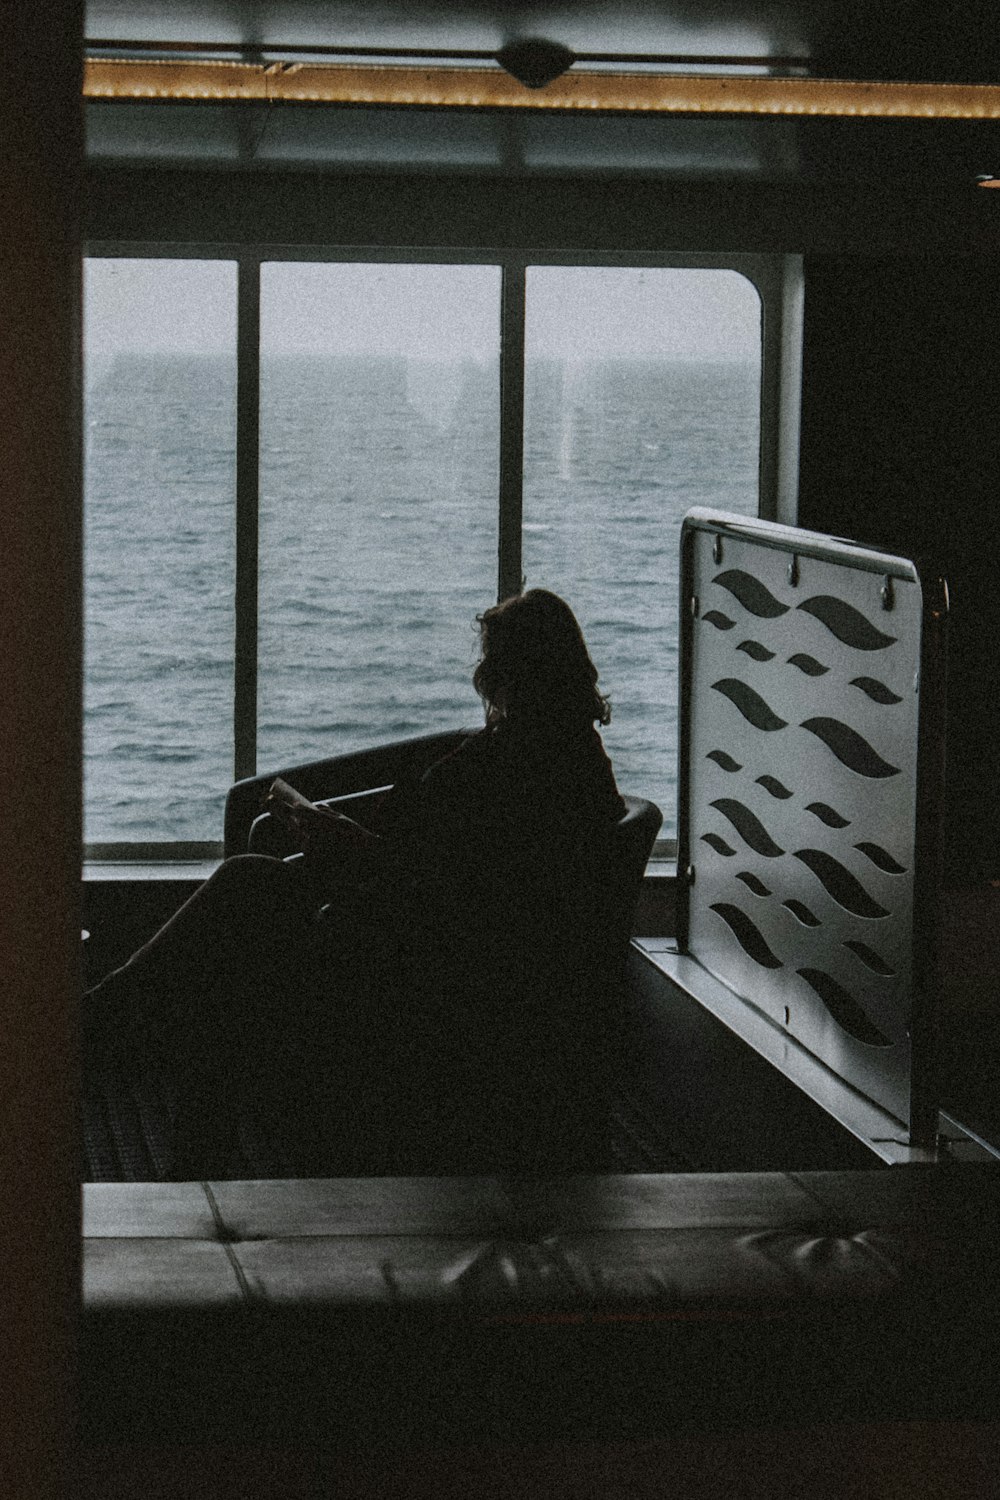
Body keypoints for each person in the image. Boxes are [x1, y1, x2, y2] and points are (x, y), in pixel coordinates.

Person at [83, 589, 626, 1176]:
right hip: (413, 926)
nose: (484, 675)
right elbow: (463, 870)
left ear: (517, 672)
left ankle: (104, 1036)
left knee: (239, 915)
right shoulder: (564, 758)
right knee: (247, 893)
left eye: (494, 661)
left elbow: (449, 889)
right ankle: (135, 1068)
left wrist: (350, 848)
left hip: (412, 953)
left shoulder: (518, 765)